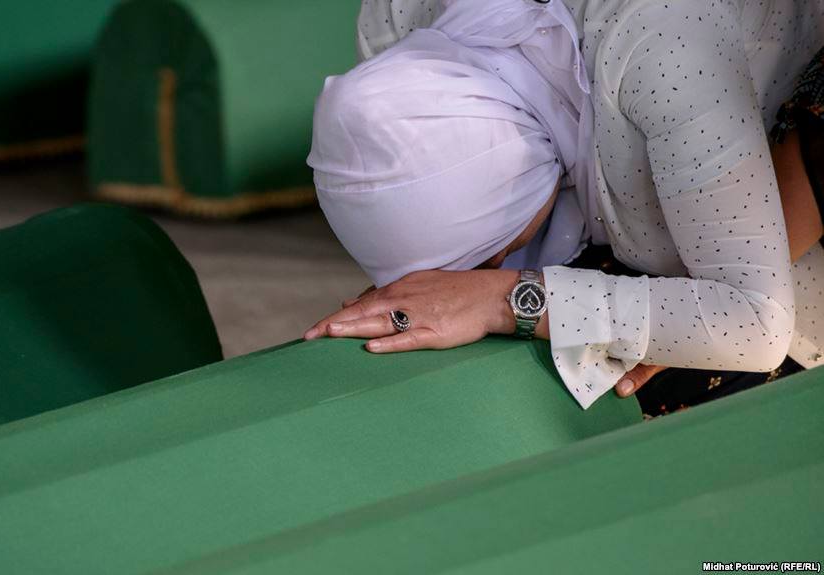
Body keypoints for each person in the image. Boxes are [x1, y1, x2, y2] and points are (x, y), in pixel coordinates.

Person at [304, 0, 824, 414]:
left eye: (486, 256)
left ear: (519, 177)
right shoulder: (398, 20)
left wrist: (504, 299)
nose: (487, 269)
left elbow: (755, 323)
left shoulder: (662, 45)